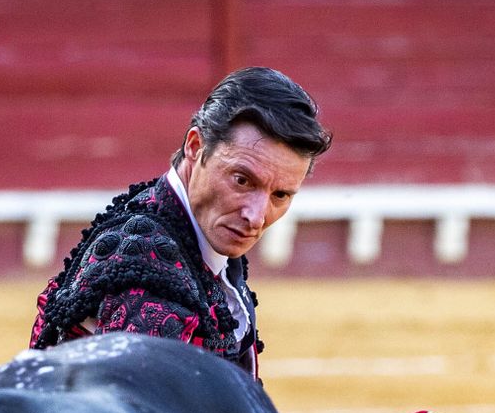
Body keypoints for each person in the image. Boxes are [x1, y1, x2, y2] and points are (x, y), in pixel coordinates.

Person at [29, 67, 331, 379]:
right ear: (196, 147)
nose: (256, 216)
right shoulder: (149, 262)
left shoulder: (190, 235)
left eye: (280, 195)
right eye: (241, 180)